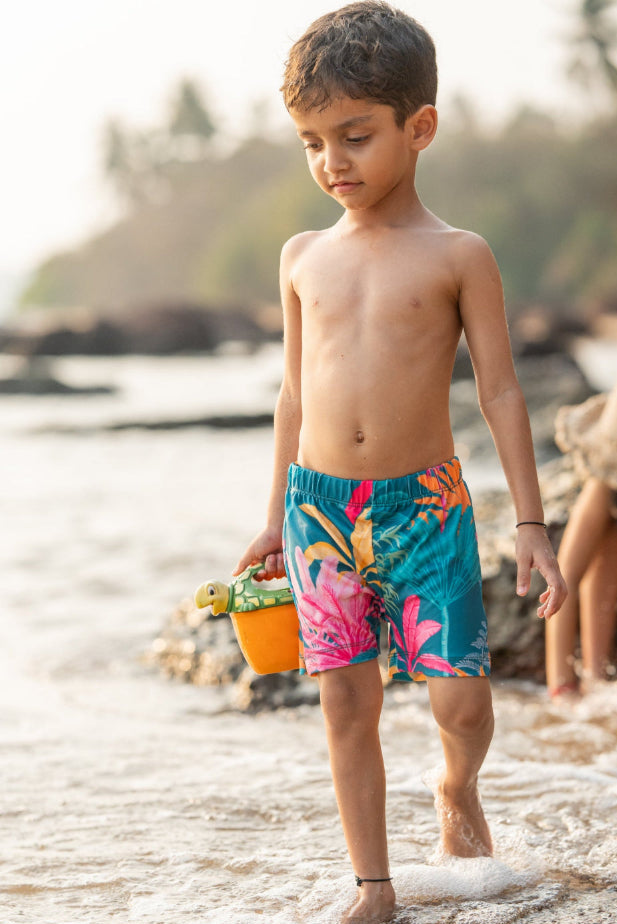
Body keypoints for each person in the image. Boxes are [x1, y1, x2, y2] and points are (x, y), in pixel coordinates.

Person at [234, 4, 567, 921]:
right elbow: (293, 397)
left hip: (424, 508)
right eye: (311, 142)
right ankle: (372, 885)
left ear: (417, 127)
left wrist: (530, 526)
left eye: (354, 136)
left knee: (460, 704)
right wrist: (273, 516)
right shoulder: (302, 257)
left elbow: (500, 393)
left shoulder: (459, 255)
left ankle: (457, 787)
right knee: (345, 702)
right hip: (319, 513)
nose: (331, 162)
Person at [545, 384, 617, 697]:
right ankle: (560, 682)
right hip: (608, 462)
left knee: (606, 559)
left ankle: (595, 677)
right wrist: (560, 686)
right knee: (574, 570)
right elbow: (563, 576)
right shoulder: (603, 480)